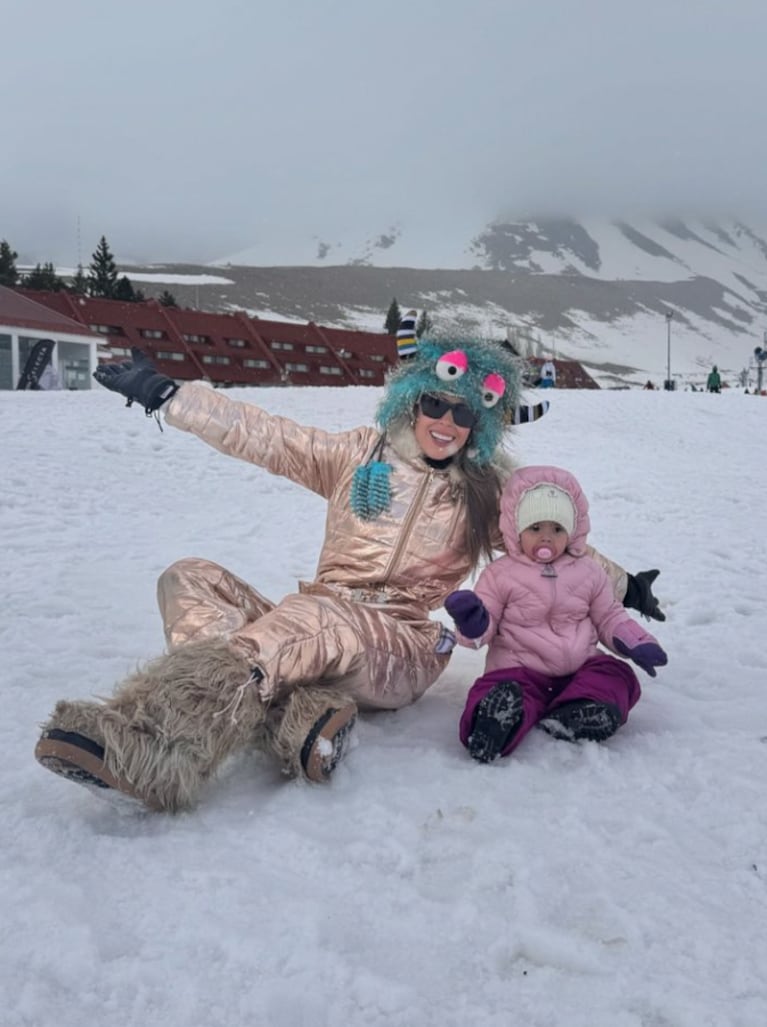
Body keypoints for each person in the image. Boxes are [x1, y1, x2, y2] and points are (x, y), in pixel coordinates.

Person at [34, 340, 665, 812]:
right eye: (434, 403)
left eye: (464, 415)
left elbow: (551, 543)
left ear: (481, 427)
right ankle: (299, 716)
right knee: (188, 577)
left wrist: (628, 586)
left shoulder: (484, 494)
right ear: (412, 398)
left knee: (313, 620)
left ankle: (157, 747)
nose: (445, 421)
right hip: (319, 616)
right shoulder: (357, 456)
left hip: (403, 646)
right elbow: (266, 436)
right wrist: (173, 398)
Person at [445, 465, 667, 763]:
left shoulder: (589, 571)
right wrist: (474, 622)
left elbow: (608, 615)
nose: (546, 538)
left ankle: (583, 710)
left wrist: (637, 641)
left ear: (572, 532)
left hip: (580, 668)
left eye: (557, 529)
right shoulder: (500, 575)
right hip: (520, 670)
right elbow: (485, 624)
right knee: (493, 690)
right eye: (536, 529)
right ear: (516, 530)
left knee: (618, 675)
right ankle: (491, 725)